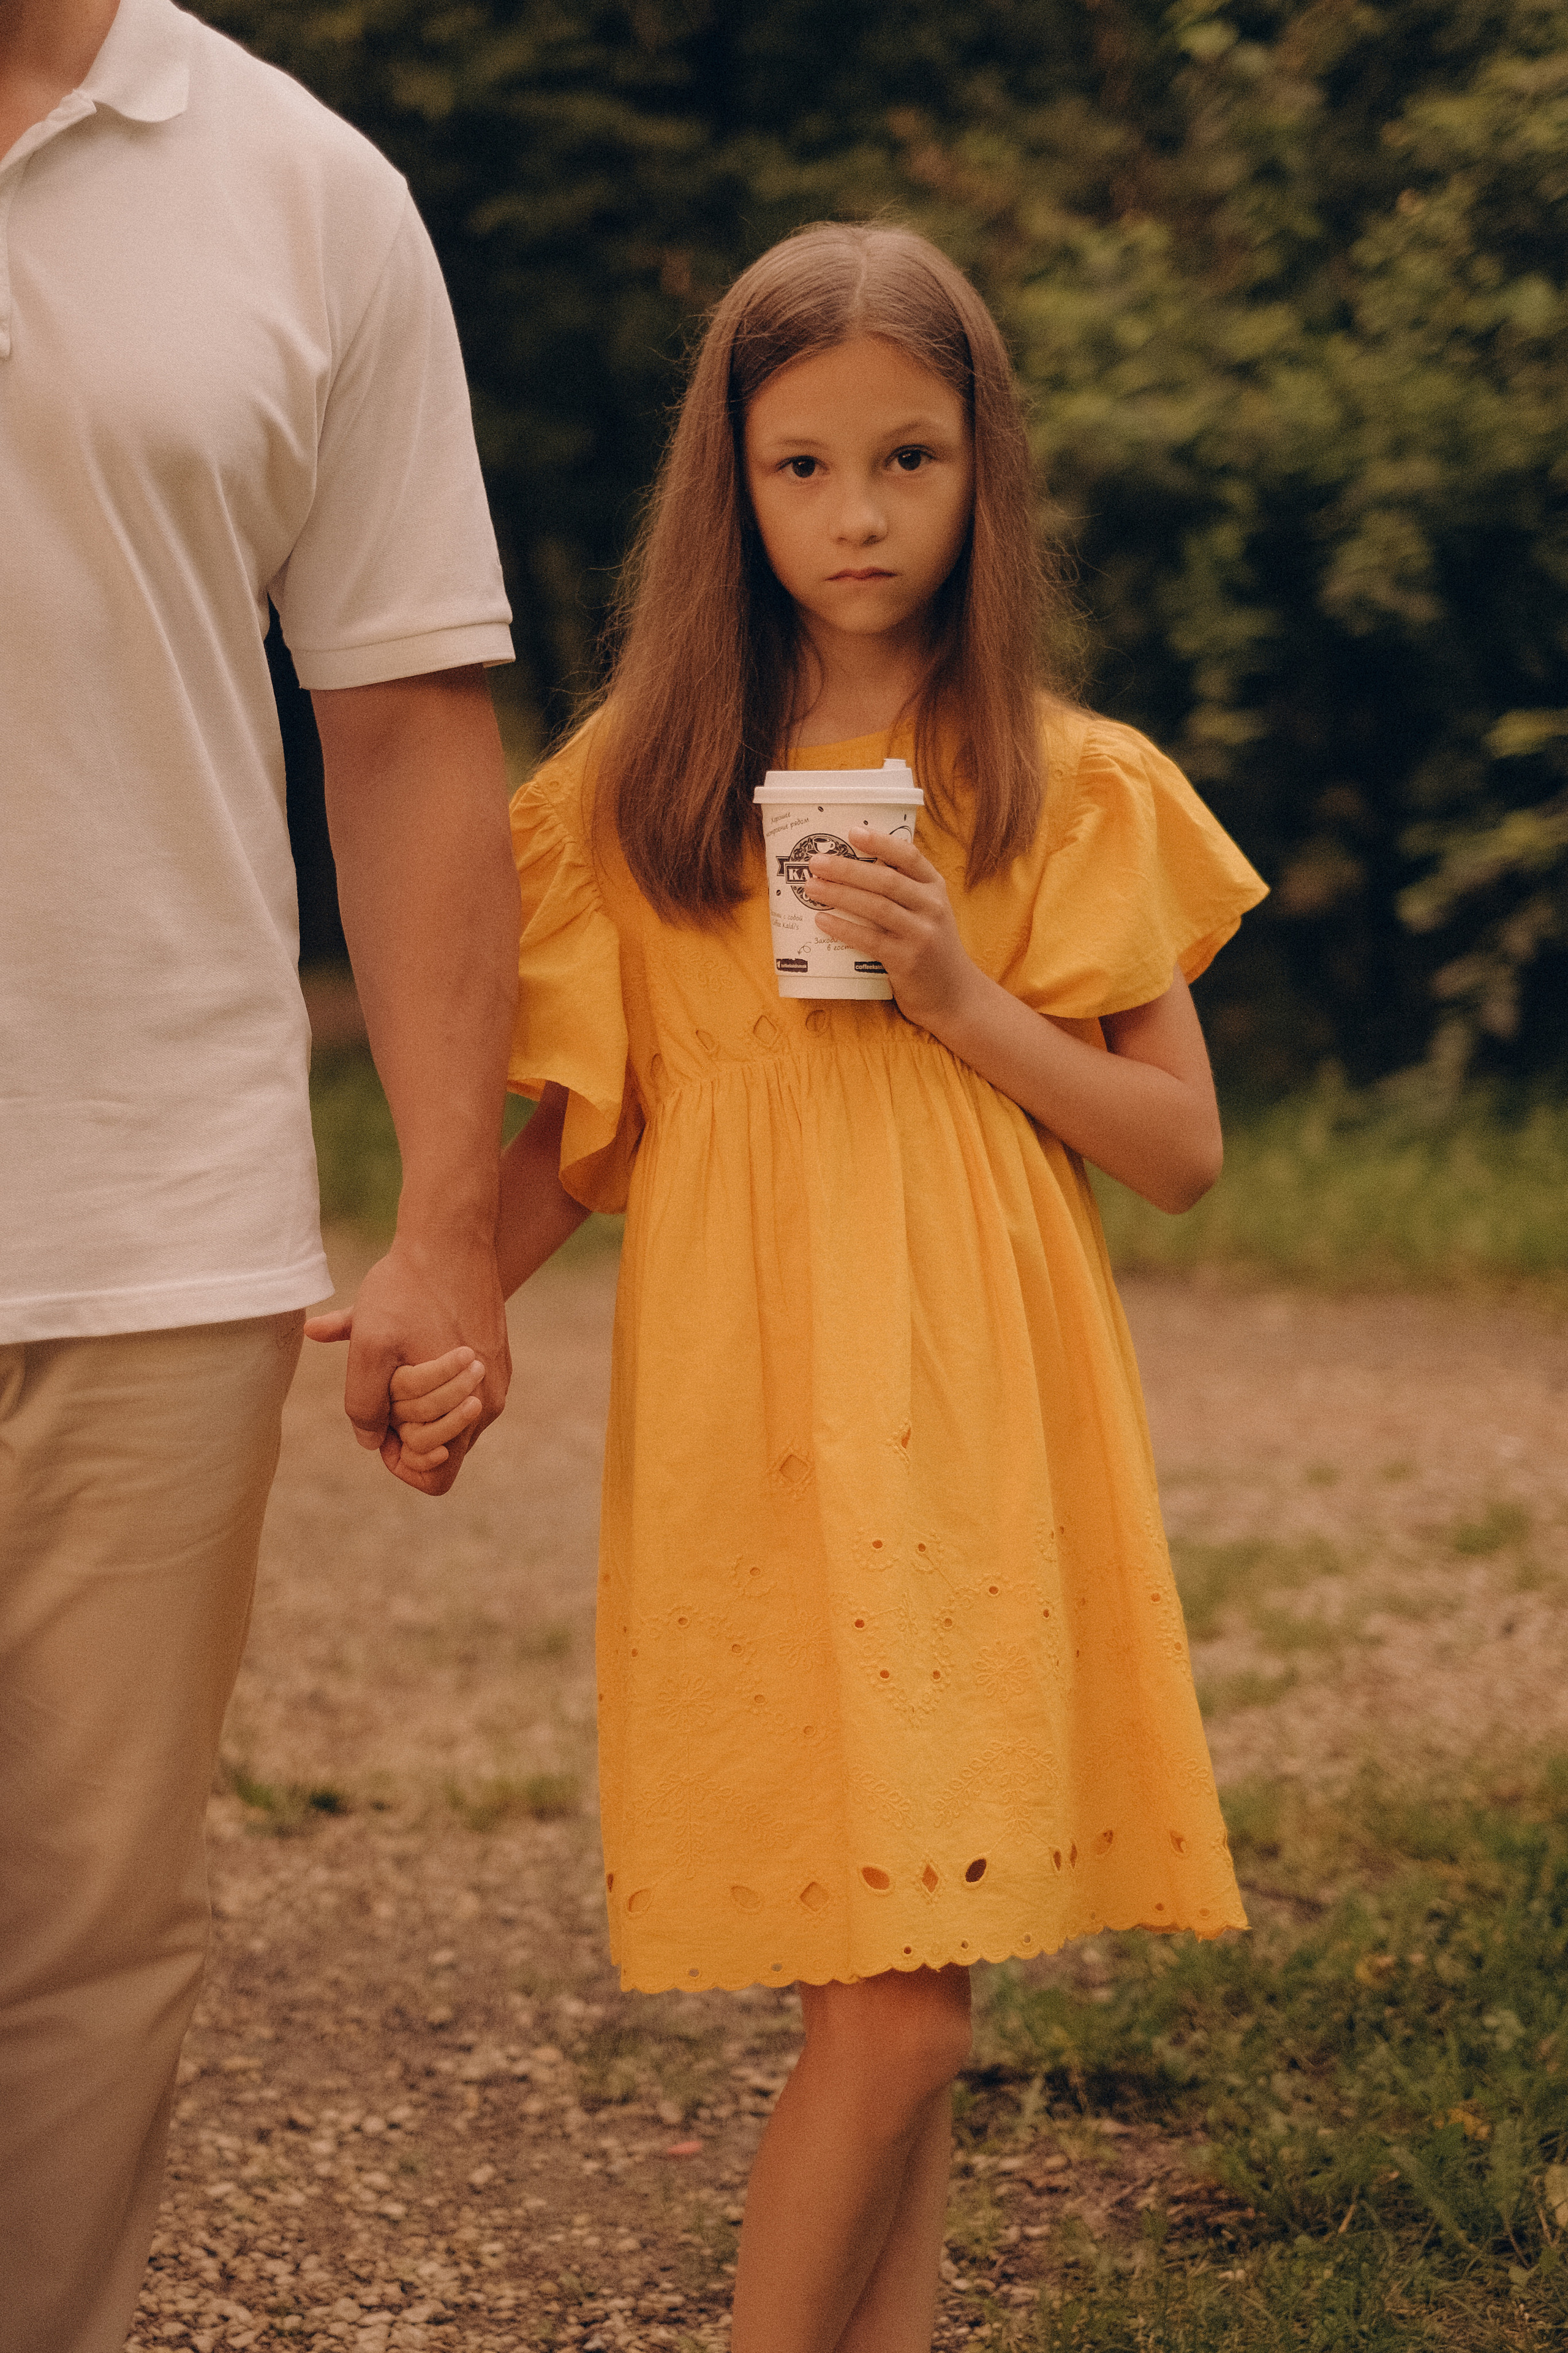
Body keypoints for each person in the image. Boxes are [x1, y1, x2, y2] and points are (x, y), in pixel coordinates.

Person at [373, 221, 1267, 2351]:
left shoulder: (1063, 780)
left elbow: (1179, 1150)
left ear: (984, 474)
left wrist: (957, 985)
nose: (856, 517)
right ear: (729, 482)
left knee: (909, 2016)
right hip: (752, 1428)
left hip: (972, 1421)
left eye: (906, 460)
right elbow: (584, 1133)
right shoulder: (637, 789)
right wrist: (442, 1301)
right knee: (894, 2000)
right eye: (800, 468)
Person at [0, 2, 519, 2346]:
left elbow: (409, 722)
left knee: (85, 1927)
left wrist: (446, 1225)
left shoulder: (310, 191)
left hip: (148, 1213)